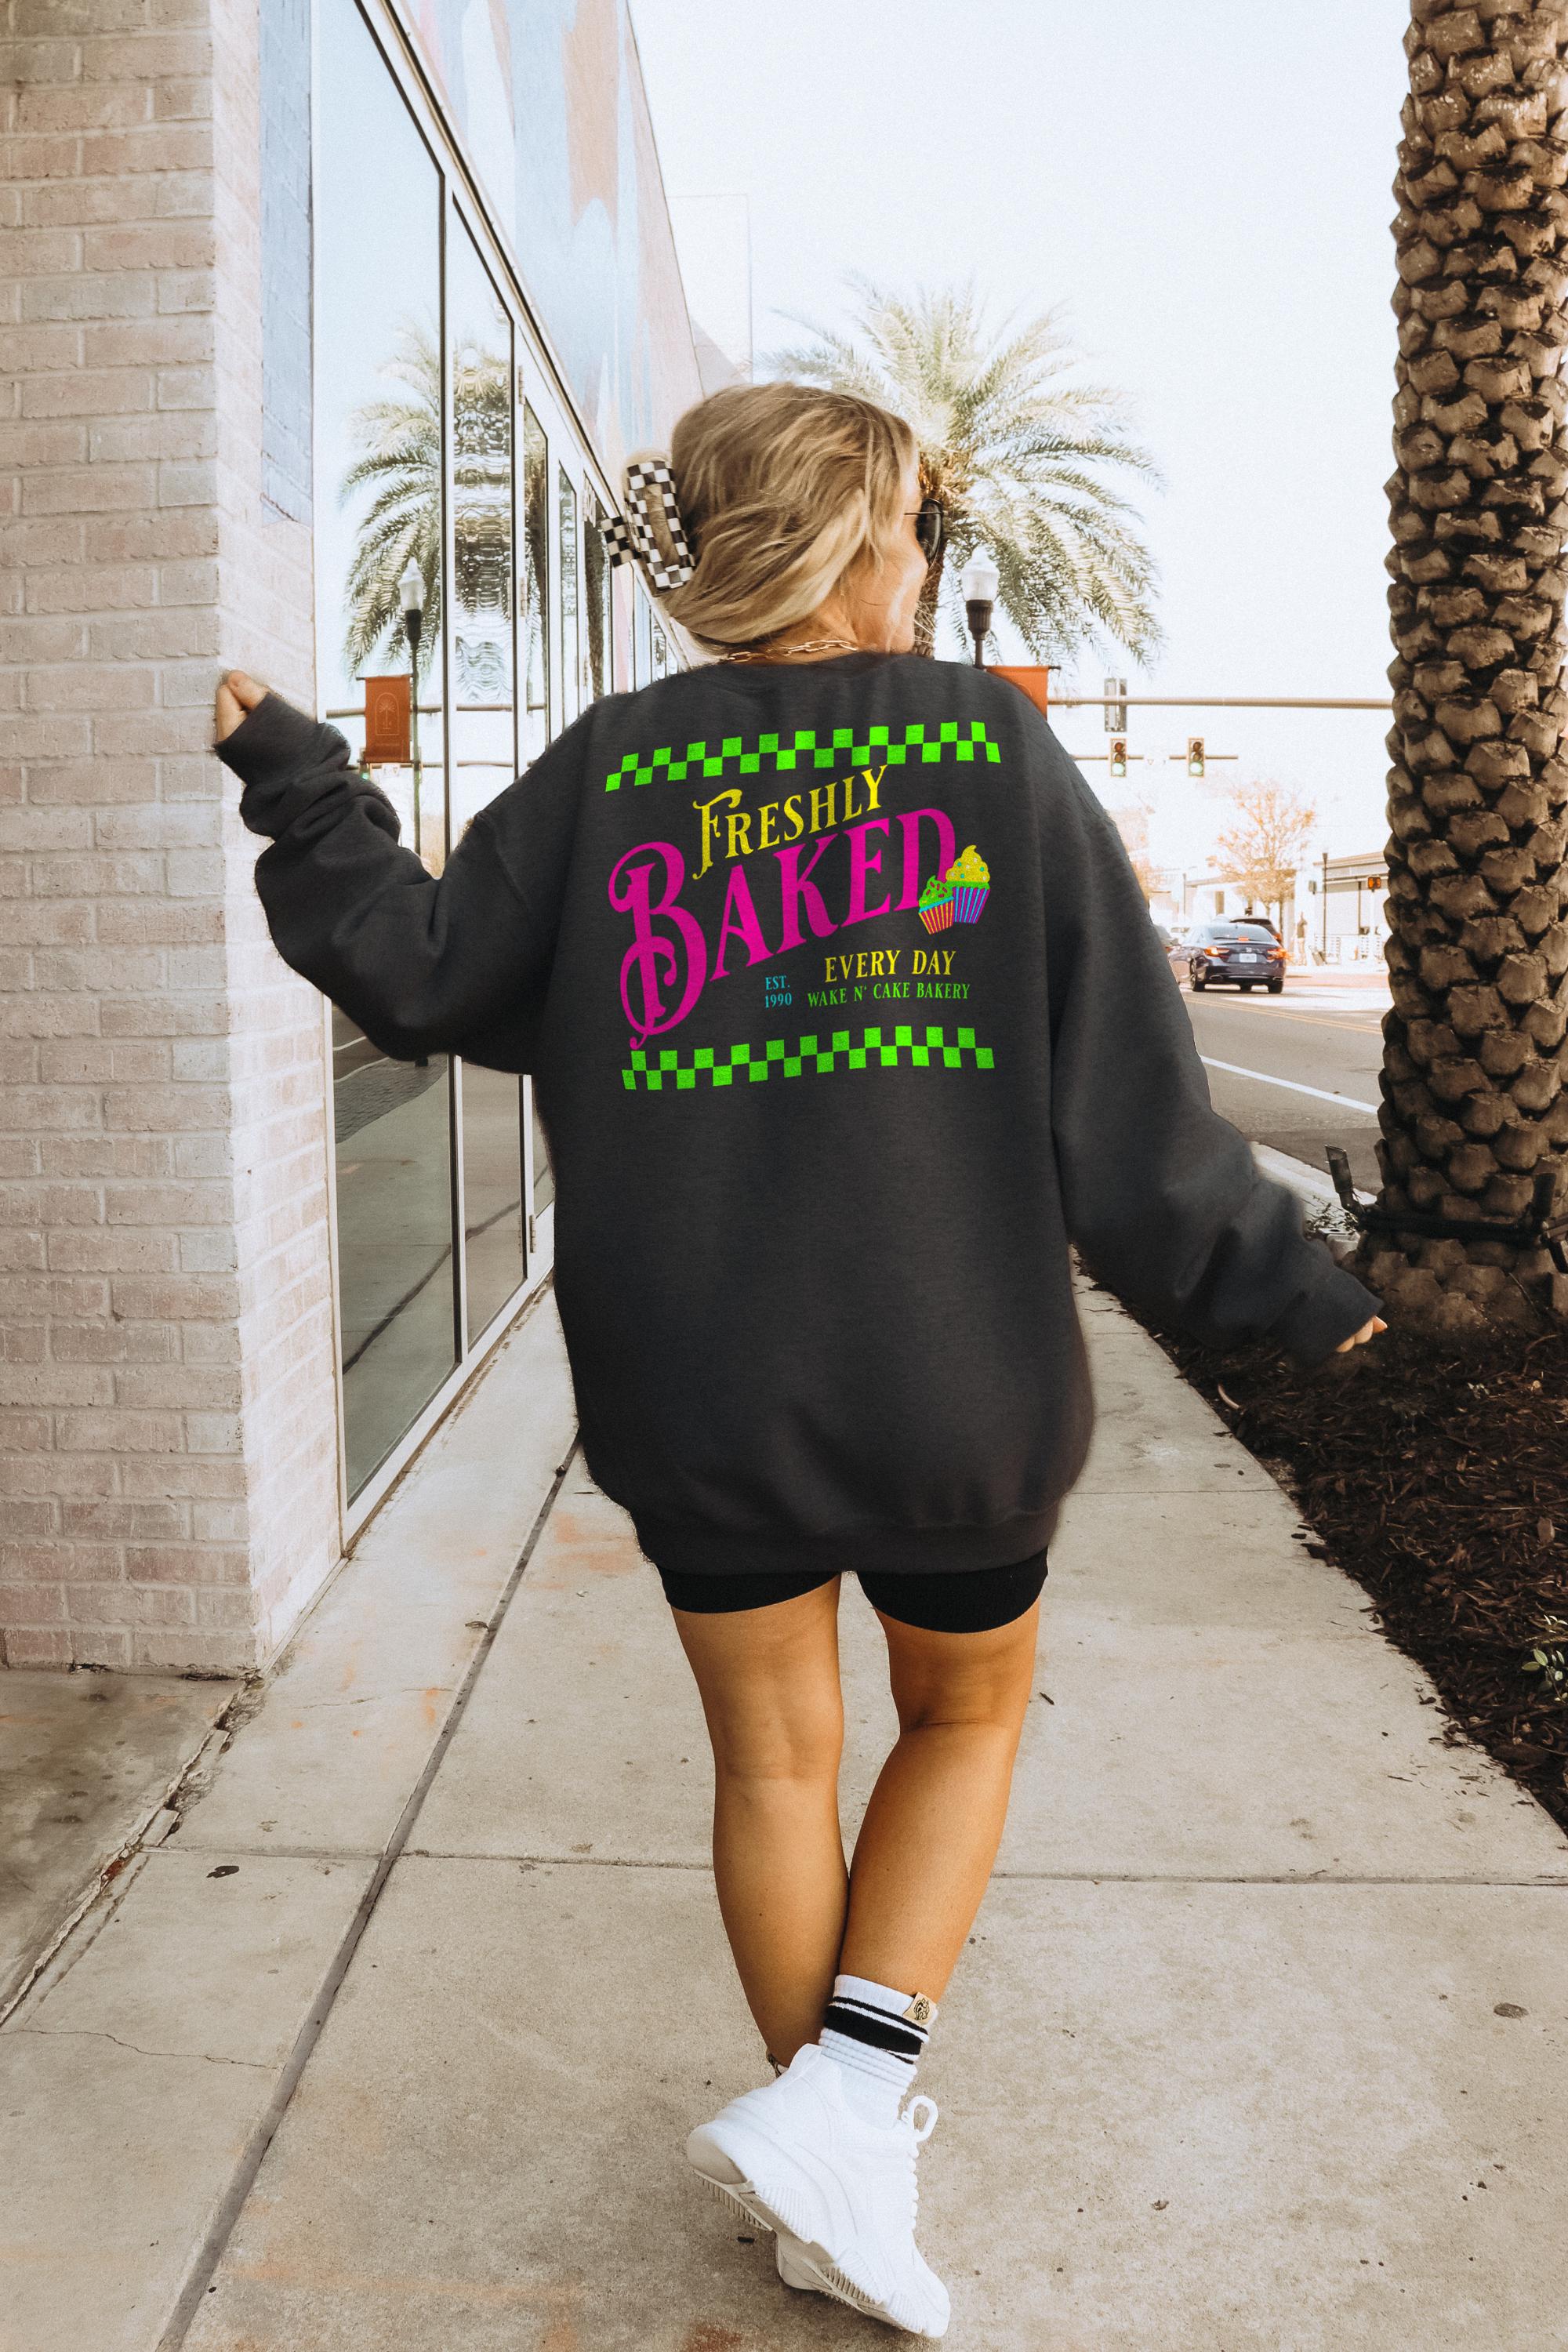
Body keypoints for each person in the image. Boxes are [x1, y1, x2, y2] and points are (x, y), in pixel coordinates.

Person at [214, 380, 1383, 2339]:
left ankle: (827, 2153)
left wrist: (297, 778)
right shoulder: (984, 750)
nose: (921, 560)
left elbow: (418, 973)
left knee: (770, 1758)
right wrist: (1295, 1289)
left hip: (692, 1377)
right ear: (845, 534)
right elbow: (1133, 1114)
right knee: (963, 1722)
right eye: (909, 524)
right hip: (951, 1374)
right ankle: (845, 2116)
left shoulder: (611, 767)